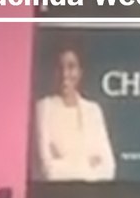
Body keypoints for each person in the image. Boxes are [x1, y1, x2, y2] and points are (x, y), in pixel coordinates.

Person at [34, 41, 115, 182]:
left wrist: (64, 162)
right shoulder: (43, 108)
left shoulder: (93, 111)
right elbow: (49, 171)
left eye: (71, 67)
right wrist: (88, 164)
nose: (65, 74)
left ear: (80, 72)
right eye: (60, 68)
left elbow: (109, 168)